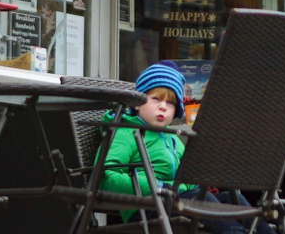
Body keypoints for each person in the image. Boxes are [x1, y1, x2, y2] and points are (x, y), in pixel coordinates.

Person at [98, 62, 267, 234]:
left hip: (175, 201)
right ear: (136, 103)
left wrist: (190, 182)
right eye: (155, 99)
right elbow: (106, 178)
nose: (163, 106)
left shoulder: (172, 137)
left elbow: (185, 178)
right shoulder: (124, 133)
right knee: (199, 199)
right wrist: (161, 187)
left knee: (233, 198)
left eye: (170, 103)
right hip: (145, 208)